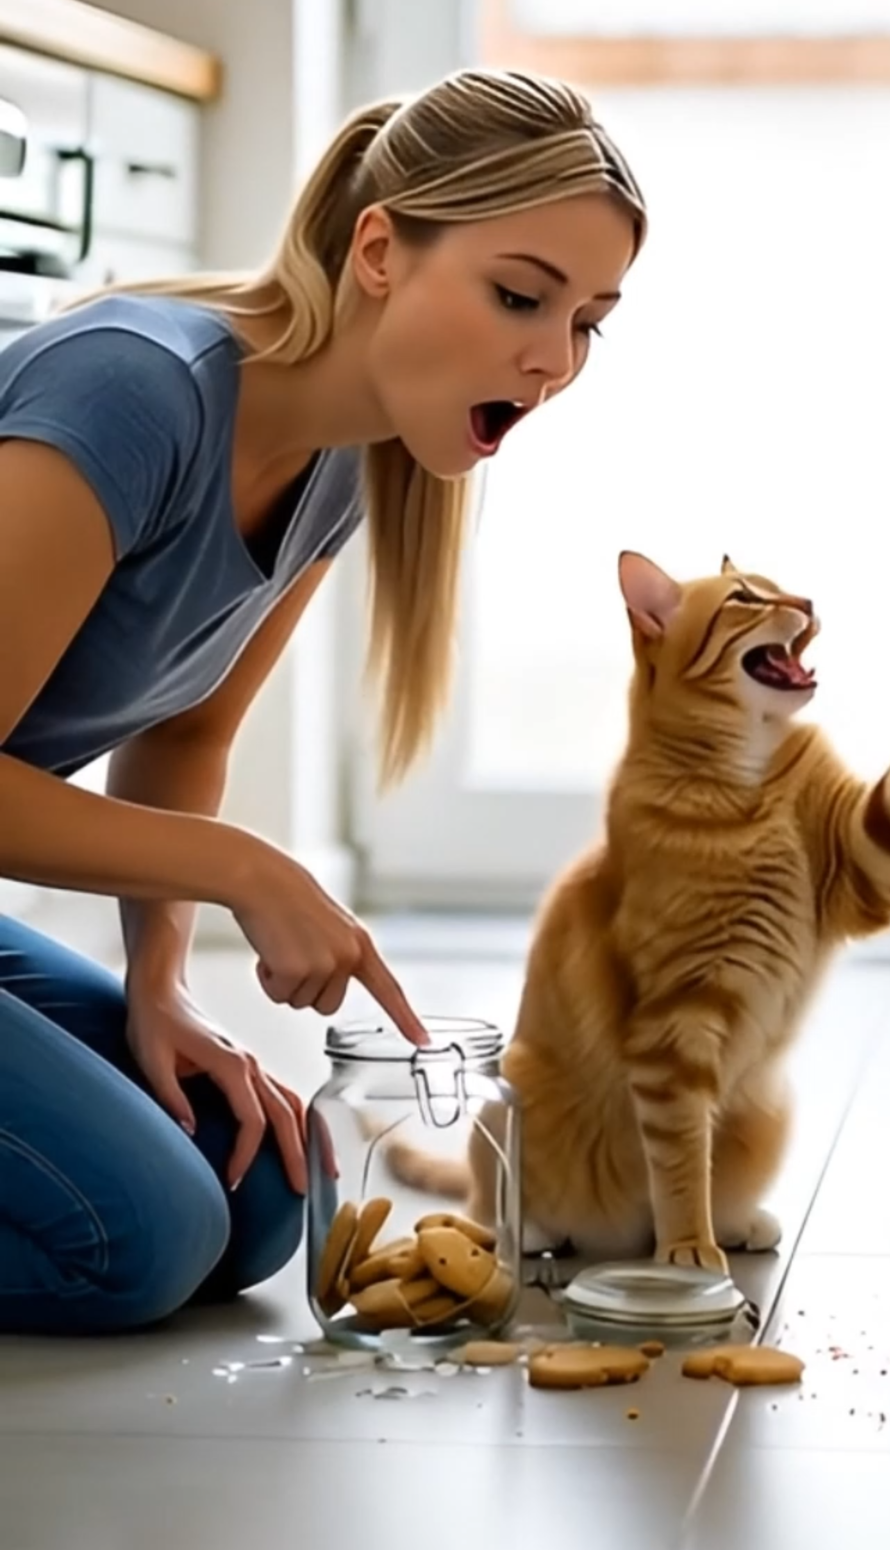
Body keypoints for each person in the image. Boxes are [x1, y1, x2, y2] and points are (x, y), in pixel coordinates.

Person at [0, 69, 647, 1333]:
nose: (552, 359)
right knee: (147, 1236)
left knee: (267, 1195)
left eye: (589, 321)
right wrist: (245, 868)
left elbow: (187, 733)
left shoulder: (343, 462)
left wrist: (161, 984)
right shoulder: (137, 391)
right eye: (521, 295)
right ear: (378, 250)